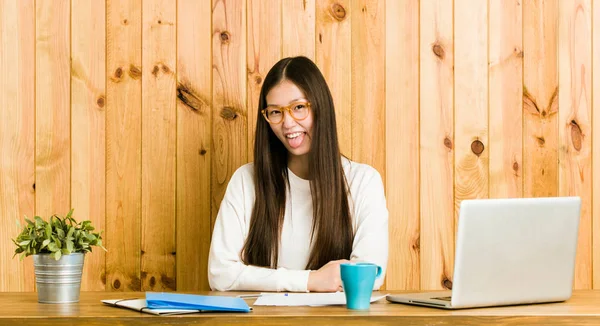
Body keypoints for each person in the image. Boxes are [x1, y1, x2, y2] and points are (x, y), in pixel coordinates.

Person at [208, 56, 388, 293]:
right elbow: (220, 274)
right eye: (275, 112)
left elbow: (369, 276)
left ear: (320, 106)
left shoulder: (364, 181)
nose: (287, 123)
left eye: (299, 108)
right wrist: (310, 280)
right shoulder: (246, 180)